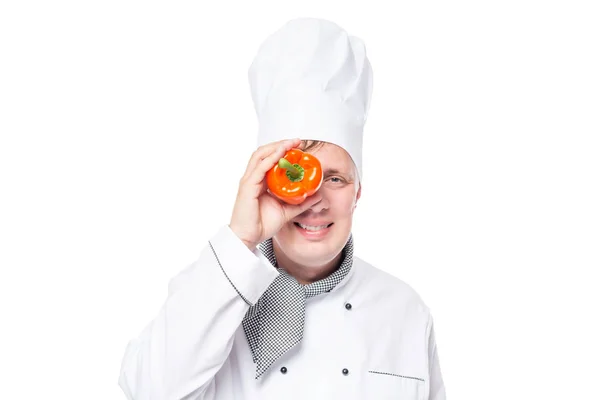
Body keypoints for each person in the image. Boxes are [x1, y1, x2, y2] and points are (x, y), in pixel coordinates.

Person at [118, 17, 446, 400]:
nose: (314, 200)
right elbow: (149, 390)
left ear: (358, 192)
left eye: (335, 178)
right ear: (263, 186)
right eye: (293, 177)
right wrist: (240, 238)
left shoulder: (405, 310)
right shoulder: (212, 289)